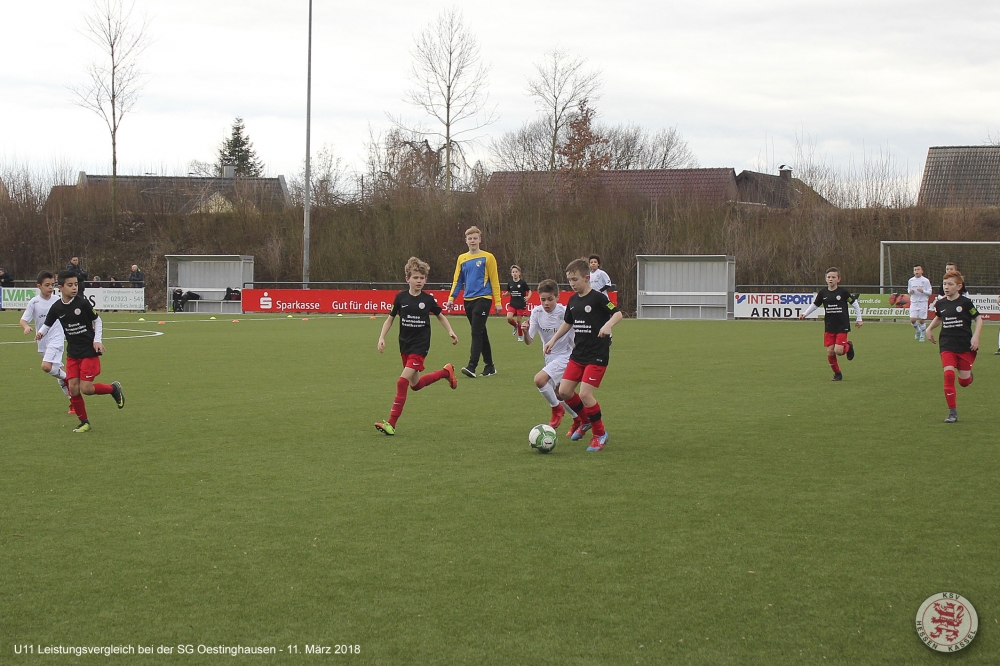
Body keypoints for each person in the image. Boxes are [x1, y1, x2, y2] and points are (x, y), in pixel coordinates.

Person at [543, 258, 623, 452]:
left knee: (586, 394)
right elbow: (567, 323)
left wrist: (608, 325)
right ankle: (585, 420)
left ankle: (599, 434)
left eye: (575, 279)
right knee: (564, 392)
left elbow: (618, 313)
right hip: (578, 354)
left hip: (597, 355)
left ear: (587, 278)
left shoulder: (598, 298)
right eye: (569, 280)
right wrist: (553, 340)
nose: (572, 283)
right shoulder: (572, 300)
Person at [375, 257, 459, 436]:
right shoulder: (401, 298)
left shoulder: (428, 299)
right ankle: (446, 372)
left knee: (402, 382)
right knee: (416, 385)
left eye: (422, 278)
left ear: (425, 280)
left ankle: (391, 424)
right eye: (415, 277)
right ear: (407, 279)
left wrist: (450, 331)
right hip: (405, 345)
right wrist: (381, 337)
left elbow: (440, 316)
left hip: (420, 347)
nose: (419, 281)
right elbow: (390, 319)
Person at [36, 270, 125, 432]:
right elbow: (47, 323)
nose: (74, 288)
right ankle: (84, 422)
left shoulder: (82, 303)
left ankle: (113, 389)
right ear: (60, 288)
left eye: (76, 284)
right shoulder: (57, 307)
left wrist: (97, 340)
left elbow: (97, 320)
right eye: (70, 285)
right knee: (73, 388)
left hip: (88, 352)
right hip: (73, 353)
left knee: (86, 389)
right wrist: (41, 332)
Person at [520, 279, 583, 435]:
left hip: (567, 355)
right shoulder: (537, 313)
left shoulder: (565, 312)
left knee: (539, 380)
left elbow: (578, 333)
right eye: (543, 299)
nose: (546, 303)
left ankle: (557, 410)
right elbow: (529, 341)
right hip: (549, 357)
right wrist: (525, 331)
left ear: (557, 297)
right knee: (559, 393)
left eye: (550, 299)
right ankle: (578, 419)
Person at [925, 270, 982, 423]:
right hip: (947, 344)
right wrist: (929, 329)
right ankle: (952, 412)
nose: (946, 287)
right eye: (944, 284)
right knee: (949, 374)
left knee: (964, 382)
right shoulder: (941, 303)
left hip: (964, 345)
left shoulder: (966, 303)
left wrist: (976, 336)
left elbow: (978, 318)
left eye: (950, 284)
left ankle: (968, 378)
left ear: (959, 286)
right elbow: (939, 317)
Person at [445, 226, 502, 378]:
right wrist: (451, 298)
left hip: (483, 298)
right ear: (466, 240)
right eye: (470, 238)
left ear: (480, 239)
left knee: (476, 332)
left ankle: (472, 366)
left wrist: (498, 301)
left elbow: (494, 280)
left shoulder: (488, 257)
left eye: (475, 238)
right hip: (468, 300)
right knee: (481, 332)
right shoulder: (461, 258)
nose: (472, 241)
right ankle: (490, 366)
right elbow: (458, 280)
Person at [20, 271, 73, 413]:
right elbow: (23, 320)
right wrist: (26, 327)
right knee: (57, 372)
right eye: (47, 285)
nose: (50, 287)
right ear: (39, 286)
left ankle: (69, 379)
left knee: (46, 366)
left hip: (56, 338)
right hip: (42, 340)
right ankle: (73, 400)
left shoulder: (58, 300)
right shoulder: (34, 302)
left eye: (52, 285)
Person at [799, 267, 863, 381]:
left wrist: (859, 319)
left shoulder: (843, 292)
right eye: (829, 277)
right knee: (830, 351)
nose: (831, 279)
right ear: (826, 279)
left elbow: (854, 304)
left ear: (838, 279)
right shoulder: (823, 293)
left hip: (842, 325)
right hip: (829, 326)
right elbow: (815, 305)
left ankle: (848, 346)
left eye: (833, 277)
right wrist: (805, 313)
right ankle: (837, 374)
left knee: (839, 351)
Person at [504, 265, 530, 342]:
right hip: (512, 303)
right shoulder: (510, 283)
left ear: (519, 273)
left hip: (521, 304)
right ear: (511, 274)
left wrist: (528, 297)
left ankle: (520, 336)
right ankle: (515, 325)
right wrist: (505, 294)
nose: (514, 273)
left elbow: (529, 291)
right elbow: (509, 292)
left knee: (519, 321)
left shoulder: (522, 283)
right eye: (513, 272)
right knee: (509, 318)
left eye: (516, 272)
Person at [907, 264, 932, 342]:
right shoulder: (911, 280)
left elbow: (930, 292)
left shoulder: (926, 281)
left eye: (918, 269)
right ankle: (918, 330)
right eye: (915, 270)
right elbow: (908, 290)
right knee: (913, 320)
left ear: (922, 271)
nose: (916, 271)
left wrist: (923, 291)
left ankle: (922, 335)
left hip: (923, 302)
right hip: (914, 302)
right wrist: (910, 291)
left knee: (921, 320)